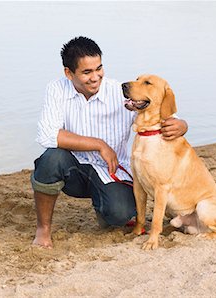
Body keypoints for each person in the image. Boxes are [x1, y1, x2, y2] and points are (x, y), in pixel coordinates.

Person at [31, 36, 188, 248]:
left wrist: (181, 124)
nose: (95, 77)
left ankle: (104, 209)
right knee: (50, 159)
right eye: (87, 72)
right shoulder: (57, 89)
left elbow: (155, 108)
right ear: (69, 73)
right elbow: (48, 135)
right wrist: (99, 144)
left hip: (111, 172)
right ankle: (43, 230)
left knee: (119, 214)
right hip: (73, 169)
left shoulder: (118, 92)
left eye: (99, 68)